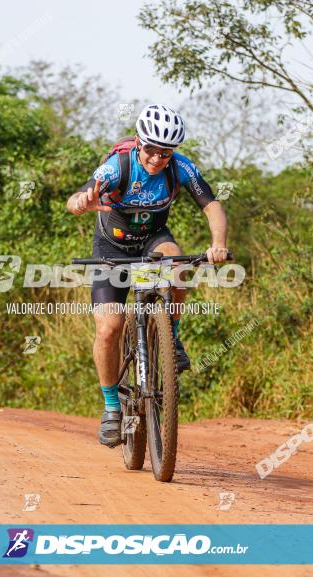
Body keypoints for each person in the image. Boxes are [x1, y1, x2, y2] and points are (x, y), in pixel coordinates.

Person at [66, 104, 229, 447]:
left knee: (179, 262)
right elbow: (81, 194)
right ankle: (112, 407)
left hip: (153, 241)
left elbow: (212, 206)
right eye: (151, 149)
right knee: (109, 328)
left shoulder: (181, 168)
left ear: (174, 152)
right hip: (111, 248)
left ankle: (171, 335)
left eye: (165, 152)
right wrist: (81, 201)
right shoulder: (118, 166)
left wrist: (218, 244)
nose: (157, 158)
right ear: (139, 143)